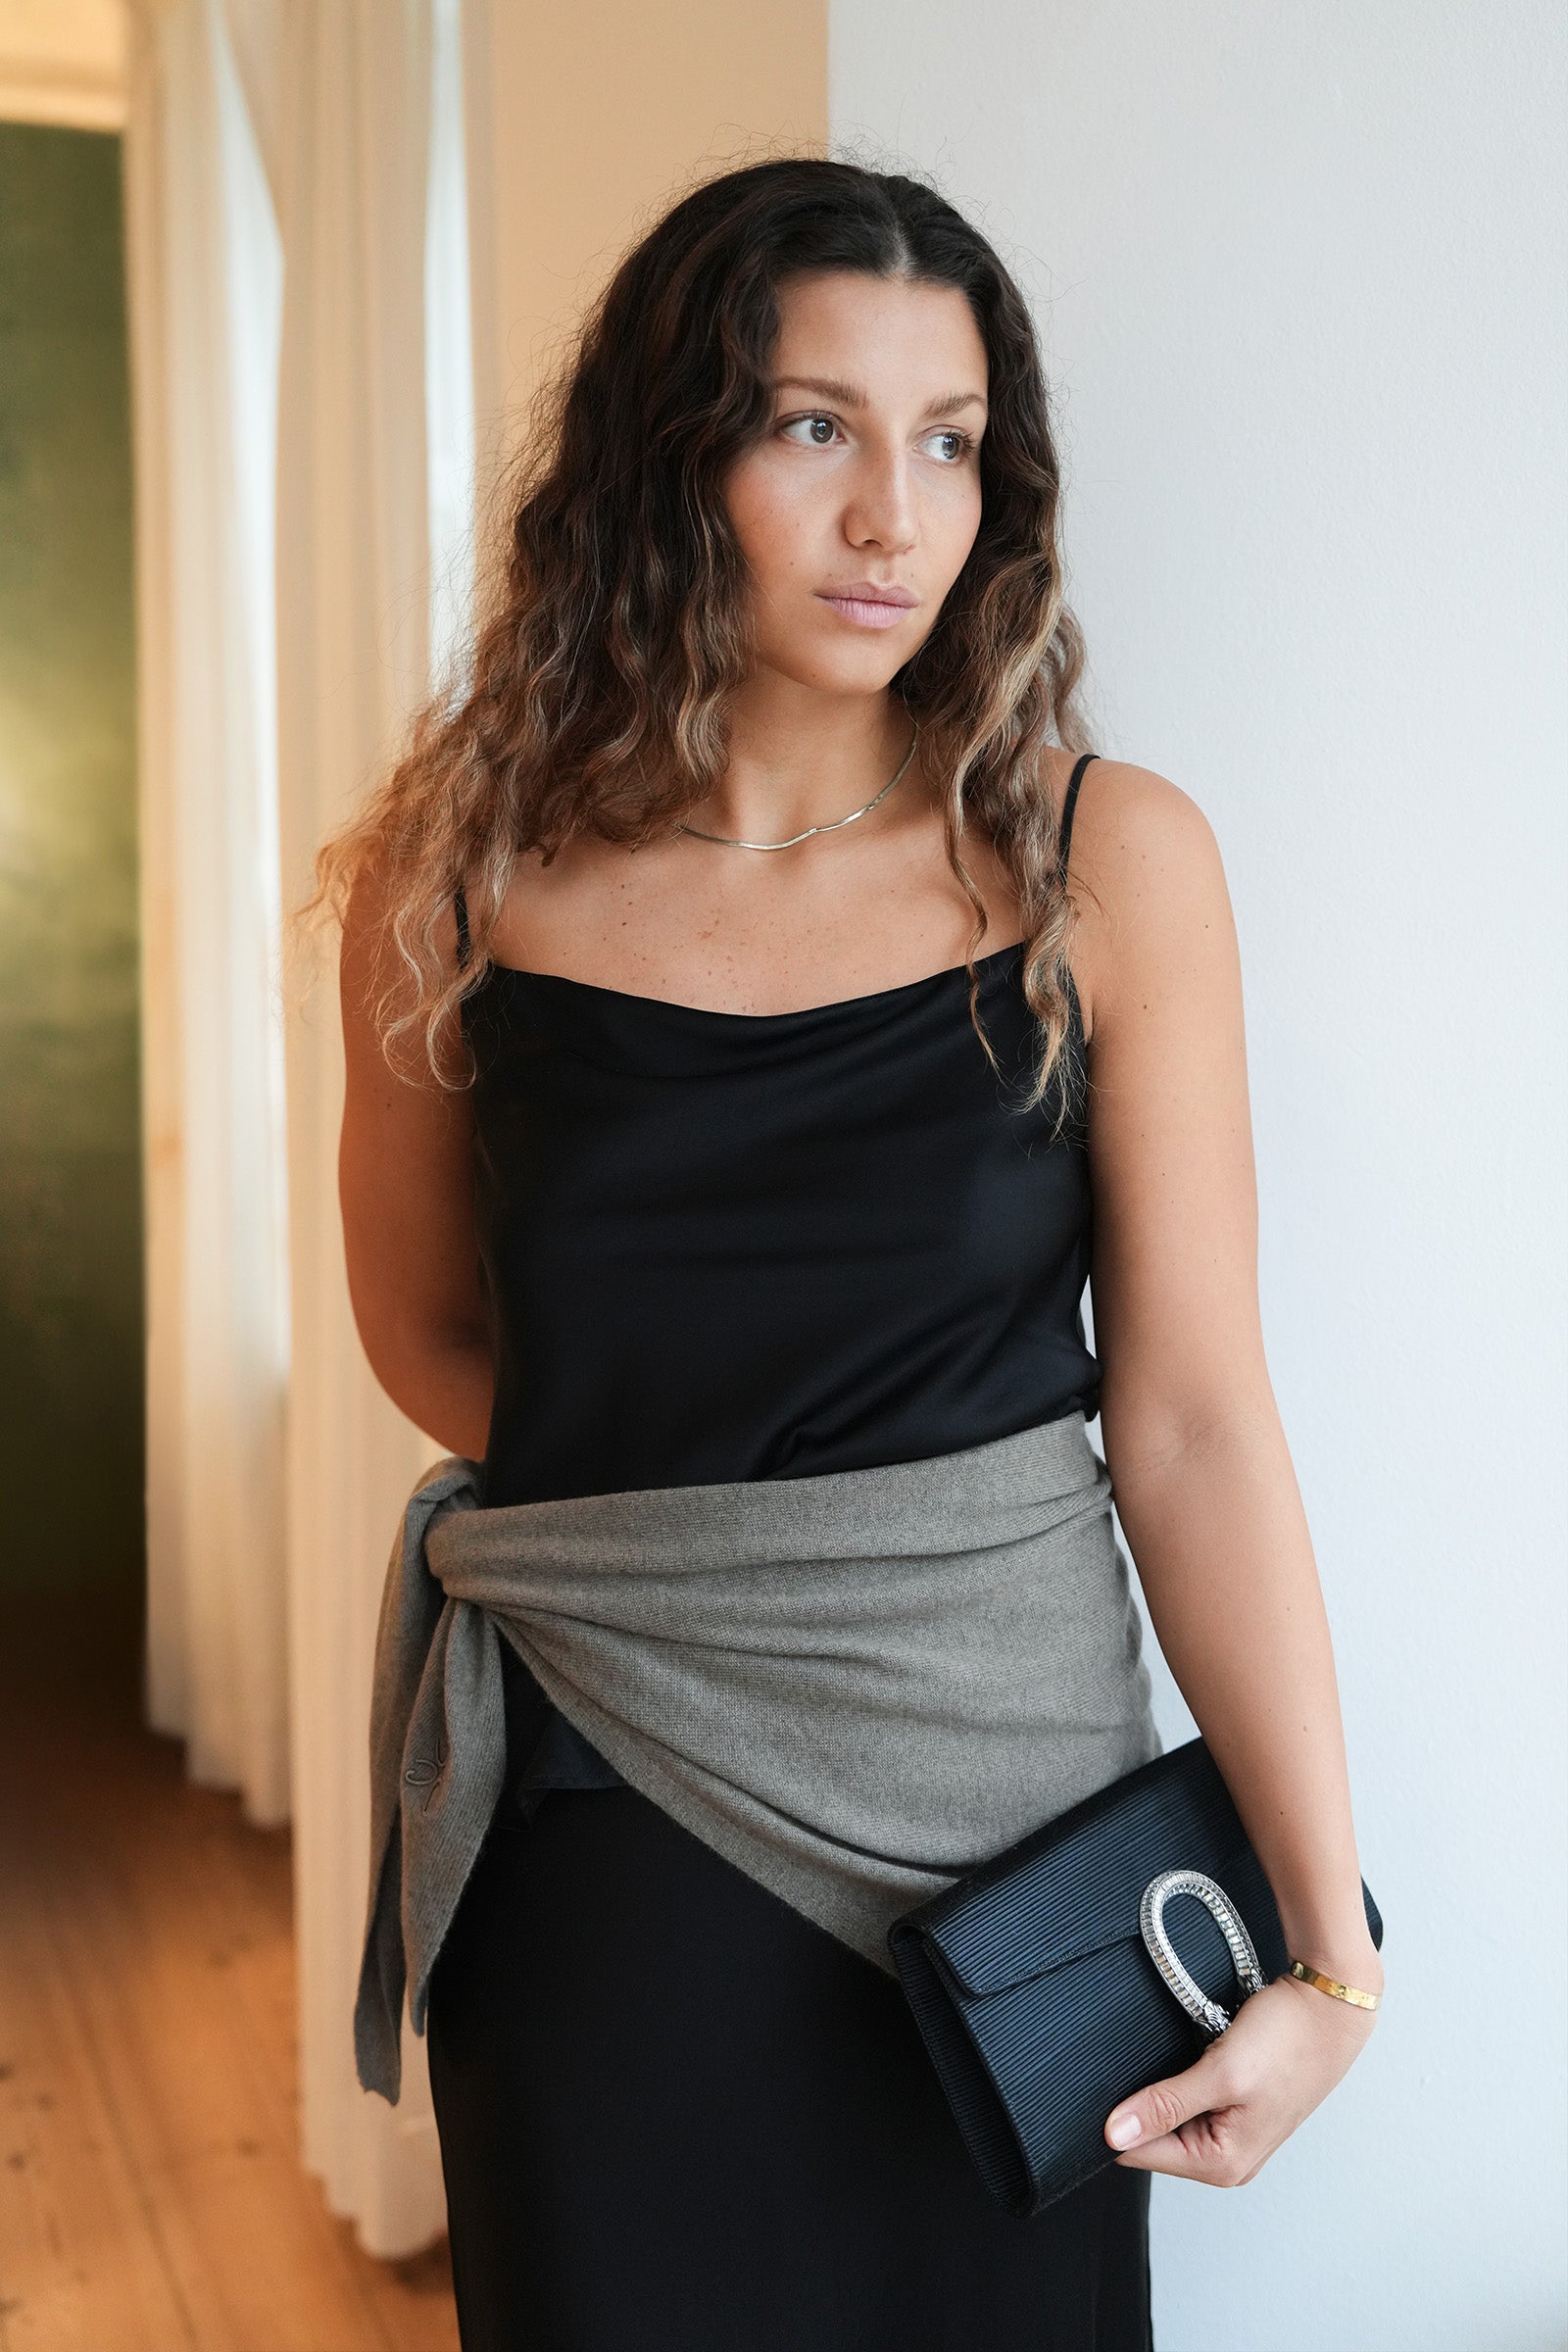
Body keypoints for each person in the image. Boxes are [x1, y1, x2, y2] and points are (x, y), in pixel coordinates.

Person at [315, 157, 1383, 2351]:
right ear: (665, 457)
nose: (891, 514)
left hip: (1009, 1875)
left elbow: (1186, 1422)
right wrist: (718, 1557)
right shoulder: (458, 867)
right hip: (603, 1842)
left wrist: (1323, 1955)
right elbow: (423, 1327)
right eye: (811, 425)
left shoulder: (1104, 863)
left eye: (947, 440)